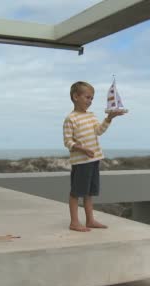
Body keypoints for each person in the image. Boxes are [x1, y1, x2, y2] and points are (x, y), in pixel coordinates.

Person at [63, 81, 125, 232]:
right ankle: (74, 222)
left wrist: (109, 118)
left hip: (94, 160)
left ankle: (90, 220)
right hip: (81, 162)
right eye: (87, 97)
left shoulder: (91, 116)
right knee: (76, 192)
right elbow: (67, 141)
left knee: (89, 192)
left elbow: (98, 131)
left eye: (92, 98)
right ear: (75, 96)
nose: (90, 101)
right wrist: (82, 149)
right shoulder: (70, 118)